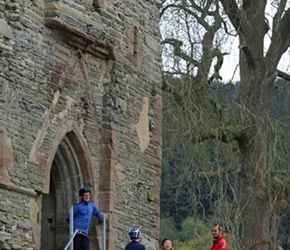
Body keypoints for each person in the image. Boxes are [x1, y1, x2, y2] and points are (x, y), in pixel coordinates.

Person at [66, 186, 104, 250]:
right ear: (82, 196)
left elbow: (97, 212)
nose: (87, 197)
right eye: (85, 195)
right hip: (76, 232)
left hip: (84, 233)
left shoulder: (91, 206)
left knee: (86, 248)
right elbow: (68, 218)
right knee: (76, 248)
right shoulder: (77, 207)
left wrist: (100, 216)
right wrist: (74, 227)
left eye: (88, 195)